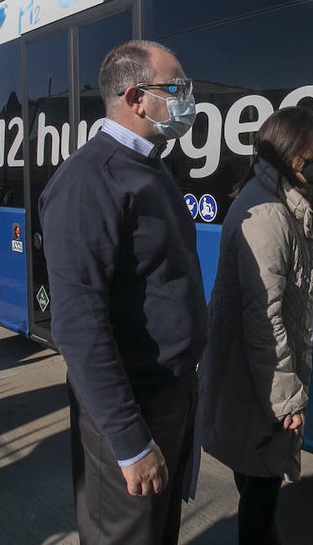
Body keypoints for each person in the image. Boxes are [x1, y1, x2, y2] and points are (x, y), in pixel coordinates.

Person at [39, 40, 207, 545]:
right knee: (127, 535)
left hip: (169, 395)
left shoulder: (152, 168)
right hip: (133, 407)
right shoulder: (89, 181)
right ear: (135, 97)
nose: (188, 99)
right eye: (176, 88)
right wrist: (130, 443)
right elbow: (79, 326)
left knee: (157, 532)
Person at [198, 105, 313, 545]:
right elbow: (264, 318)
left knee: (258, 489)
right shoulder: (271, 215)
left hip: (252, 382)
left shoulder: (274, 201)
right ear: (297, 158)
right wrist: (286, 398)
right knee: (259, 496)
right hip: (257, 386)